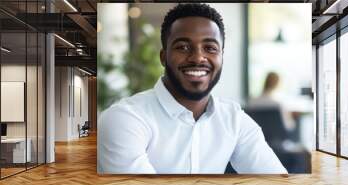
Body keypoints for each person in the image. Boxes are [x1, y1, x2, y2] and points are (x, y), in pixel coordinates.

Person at [98, 3, 287, 174]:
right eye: (183, 47)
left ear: (222, 57)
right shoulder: (125, 118)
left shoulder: (234, 119)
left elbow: (275, 183)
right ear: (163, 57)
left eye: (210, 48)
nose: (198, 58)